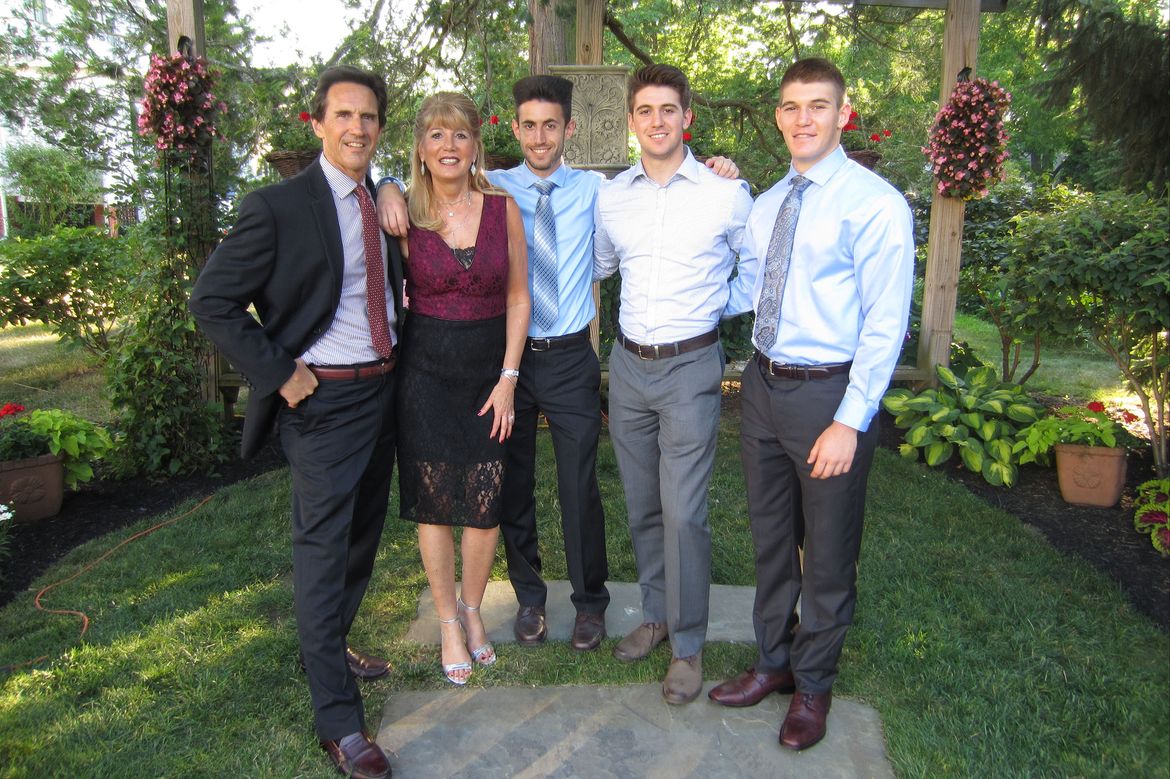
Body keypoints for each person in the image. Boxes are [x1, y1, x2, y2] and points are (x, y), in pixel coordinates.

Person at [376, 75, 739, 653]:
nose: (540, 137)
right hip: (504, 359)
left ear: (568, 129)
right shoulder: (494, 189)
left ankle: (589, 604)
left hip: (570, 355)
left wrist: (717, 166)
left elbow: (659, 190)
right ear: (513, 129)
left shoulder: (600, 191)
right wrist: (390, 184)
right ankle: (530, 600)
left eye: (551, 125)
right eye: (529, 125)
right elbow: (433, 178)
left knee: (579, 487)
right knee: (512, 483)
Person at [190, 66, 402, 779]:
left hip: (383, 393)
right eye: (343, 115)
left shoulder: (380, 197)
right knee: (321, 554)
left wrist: (393, 187)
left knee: (361, 539)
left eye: (369, 117)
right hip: (323, 403)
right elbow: (213, 300)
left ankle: (333, 641)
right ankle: (339, 723)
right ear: (317, 123)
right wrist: (280, 371)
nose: (357, 128)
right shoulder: (277, 205)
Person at [706, 57, 914, 751]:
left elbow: (886, 323)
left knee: (825, 552)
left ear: (842, 112)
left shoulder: (875, 204)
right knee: (769, 539)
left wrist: (851, 419)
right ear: (778, 115)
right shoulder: (768, 205)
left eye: (818, 106)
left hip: (829, 392)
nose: (803, 118)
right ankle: (773, 661)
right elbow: (750, 291)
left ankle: (814, 683)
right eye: (792, 106)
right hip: (761, 387)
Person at [593, 64, 754, 705]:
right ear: (633, 122)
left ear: (687, 116)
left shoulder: (725, 193)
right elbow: (605, 262)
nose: (656, 121)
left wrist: (717, 304)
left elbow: (761, 263)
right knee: (641, 504)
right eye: (645, 111)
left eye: (668, 109)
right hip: (628, 366)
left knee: (684, 511)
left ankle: (689, 645)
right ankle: (655, 618)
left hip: (690, 366)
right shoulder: (614, 196)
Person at [394, 92, 530, 687]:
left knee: (485, 500)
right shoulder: (401, 216)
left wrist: (509, 378)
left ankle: (474, 611)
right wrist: (384, 191)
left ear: (475, 146)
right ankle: (447, 621)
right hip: (424, 378)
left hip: (488, 379)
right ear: (421, 149)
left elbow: (518, 298)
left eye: (460, 136)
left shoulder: (504, 209)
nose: (449, 147)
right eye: (436, 136)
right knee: (434, 502)